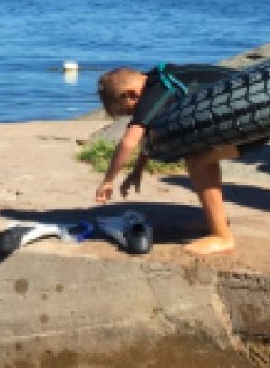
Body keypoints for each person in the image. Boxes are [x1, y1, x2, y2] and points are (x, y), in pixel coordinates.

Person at [95, 63, 260, 256]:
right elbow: (150, 137)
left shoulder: (152, 94)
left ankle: (222, 236)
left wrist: (108, 181)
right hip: (250, 112)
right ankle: (215, 220)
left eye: (130, 112)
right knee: (201, 155)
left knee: (198, 160)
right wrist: (137, 170)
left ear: (130, 94)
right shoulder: (160, 79)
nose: (134, 115)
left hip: (252, 118)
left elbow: (128, 142)